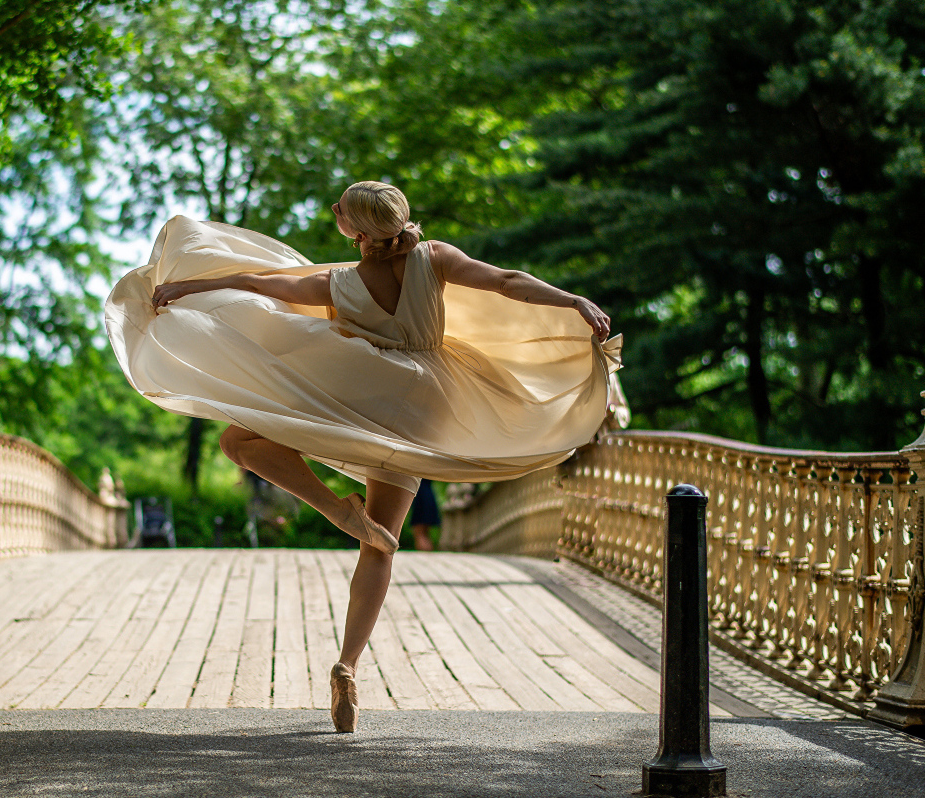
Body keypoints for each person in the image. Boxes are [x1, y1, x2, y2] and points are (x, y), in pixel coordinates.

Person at [106, 181, 620, 732]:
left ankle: (336, 510)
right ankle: (347, 666)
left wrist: (188, 287)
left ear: (354, 229)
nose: (335, 215)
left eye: (342, 212)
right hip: (424, 406)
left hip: (361, 394)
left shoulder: (340, 282)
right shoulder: (435, 257)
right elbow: (505, 282)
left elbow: (260, 279)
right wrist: (572, 301)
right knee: (380, 547)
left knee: (238, 442)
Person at [409, 479, 440, 551]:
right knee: (424, 533)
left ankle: (424, 553)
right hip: (428, 496)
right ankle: (427, 554)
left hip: (421, 498)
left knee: (419, 533)